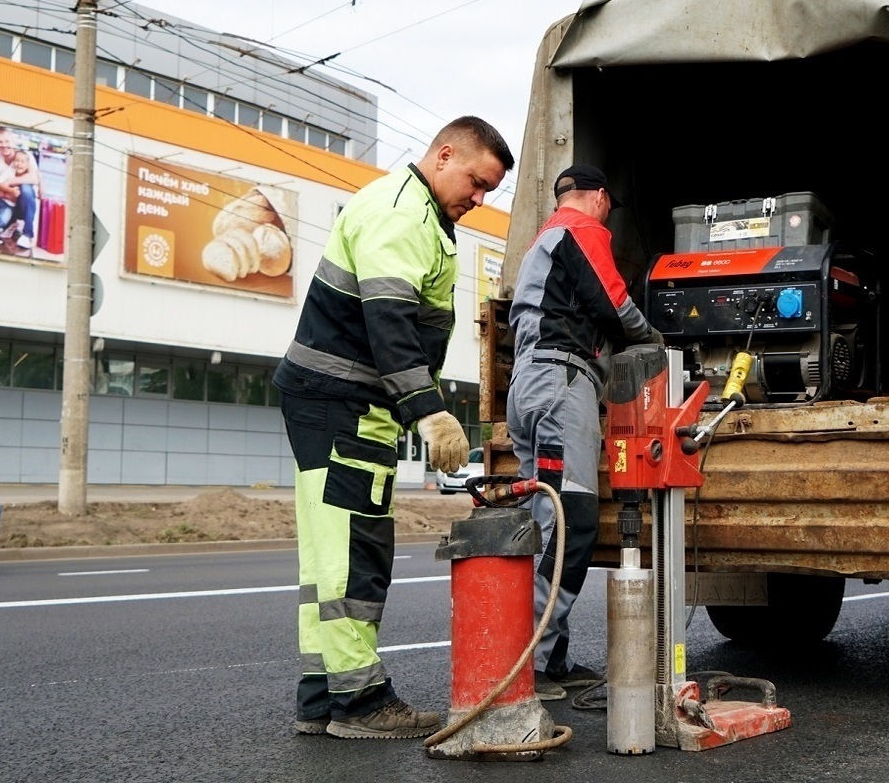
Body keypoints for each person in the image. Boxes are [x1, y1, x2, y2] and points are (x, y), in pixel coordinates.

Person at [272, 115, 514, 740]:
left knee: (332, 557)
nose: (480, 198)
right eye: (476, 181)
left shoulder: (421, 215)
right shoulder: (402, 213)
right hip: (339, 404)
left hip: (344, 403)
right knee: (354, 553)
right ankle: (359, 703)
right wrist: (428, 411)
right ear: (444, 155)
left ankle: (322, 697)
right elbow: (389, 323)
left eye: (489, 190)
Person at [505, 164, 663, 701]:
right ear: (598, 197)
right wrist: (655, 340)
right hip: (561, 383)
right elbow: (612, 303)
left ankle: (546, 655)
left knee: (545, 518)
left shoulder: (540, 241)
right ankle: (536, 661)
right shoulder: (583, 229)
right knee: (572, 519)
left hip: (530, 384)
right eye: (609, 208)